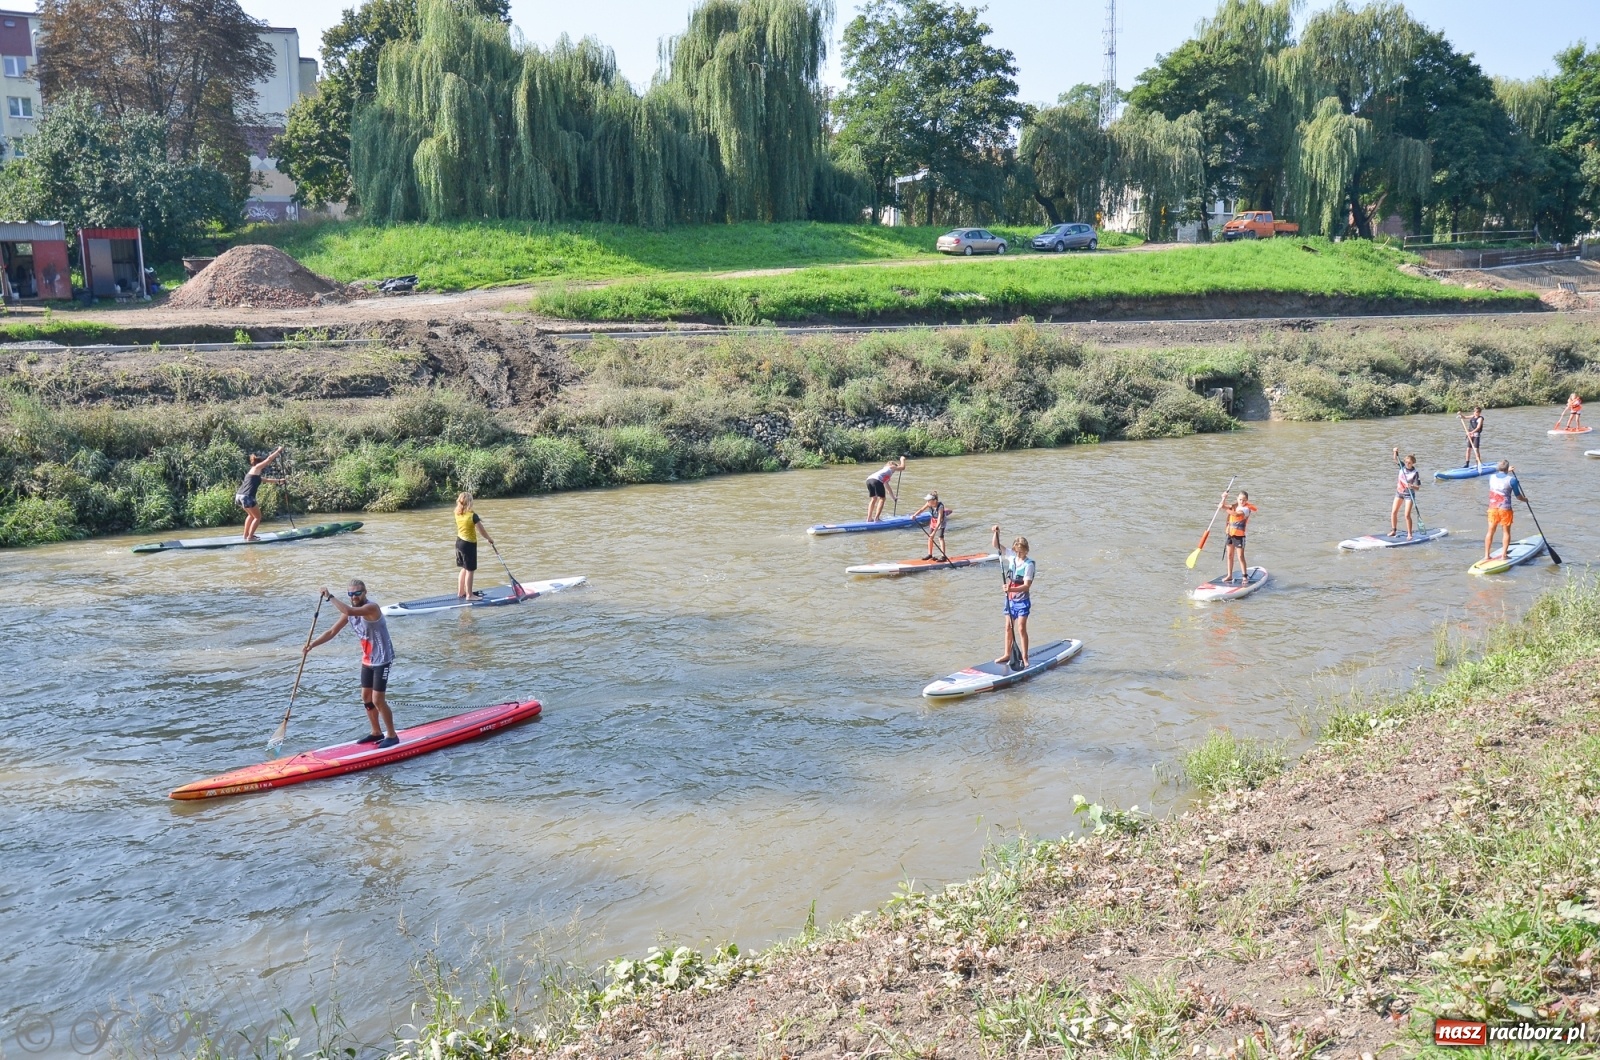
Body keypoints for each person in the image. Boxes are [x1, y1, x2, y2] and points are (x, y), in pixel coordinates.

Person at [306, 579, 400, 748]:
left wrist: (329, 597)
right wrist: (312, 645)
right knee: (366, 697)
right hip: (367, 659)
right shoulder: (350, 613)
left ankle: (392, 735)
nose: (354, 597)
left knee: (378, 700)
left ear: (365, 593)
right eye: (351, 594)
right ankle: (376, 732)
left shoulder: (372, 608)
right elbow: (332, 631)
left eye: (358, 593)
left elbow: (348, 610)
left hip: (382, 659)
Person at [993, 525, 1033, 670]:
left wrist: (1010, 588)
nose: (1019, 555)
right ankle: (1006, 654)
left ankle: (1025, 657)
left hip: (1022, 601)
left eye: (1021, 552)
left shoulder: (1029, 565)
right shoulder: (1011, 556)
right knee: (1008, 627)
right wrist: (996, 533)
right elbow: (996, 545)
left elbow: (1027, 585)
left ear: (1026, 550)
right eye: (1017, 552)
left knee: (1021, 628)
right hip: (1010, 600)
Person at [453, 492, 500, 599]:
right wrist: (489, 539)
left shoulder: (457, 513)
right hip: (468, 544)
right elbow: (482, 531)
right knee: (470, 570)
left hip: (459, 543)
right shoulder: (473, 516)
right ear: (469, 502)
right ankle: (469, 595)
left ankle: (460, 592)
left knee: (463, 568)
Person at [236, 446, 286, 542]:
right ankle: (250, 537)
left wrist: (279, 481)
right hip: (247, 497)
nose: (264, 466)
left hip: (239, 496)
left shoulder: (253, 472)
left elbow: (265, 480)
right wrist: (278, 451)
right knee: (258, 517)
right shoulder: (257, 468)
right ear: (259, 463)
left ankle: (246, 535)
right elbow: (269, 459)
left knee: (251, 516)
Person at [1483, 460, 1528, 563]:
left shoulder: (1491, 477)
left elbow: (1501, 475)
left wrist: (1506, 470)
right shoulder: (1512, 480)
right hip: (1505, 509)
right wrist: (1525, 500)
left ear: (1498, 468)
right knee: (1506, 532)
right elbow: (1518, 497)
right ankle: (1504, 555)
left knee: (1490, 531)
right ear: (1507, 469)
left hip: (1492, 508)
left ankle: (1486, 556)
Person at [1221, 489, 1257, 584]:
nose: (1242, 501)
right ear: (1237, 499)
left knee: (1240, 556)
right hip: (1230, 534)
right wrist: (1223, 498)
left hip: (1239, 536)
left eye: (1244, 500)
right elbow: (1223, 506)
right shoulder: (1234, 505)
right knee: (1229, 555)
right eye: (1240, 499)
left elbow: (1236, 514)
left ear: (1247, 501)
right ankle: (1229, 575)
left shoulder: (1246, 509)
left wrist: (1224, 508)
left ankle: (1244, 576)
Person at [1391, 448, 1422, 539]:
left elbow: (1418, 488)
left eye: (1409, 463)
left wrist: (1411, 486)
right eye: (1406, 462)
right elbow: (1395, 459)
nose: (1407, 464)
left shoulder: (1415, 473)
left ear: (1413, 463)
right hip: (1399, 492)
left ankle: (1409, 534)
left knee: (1407, 515)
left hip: (1409, 495)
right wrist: (1395, 452)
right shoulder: (1402, 466)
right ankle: (1393, 530)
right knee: (1394, 512)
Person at [865, 456, 906, 522]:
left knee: (874, 499)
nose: (894, 471)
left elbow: (887, 486)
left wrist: (893, 498)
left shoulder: (885, 473)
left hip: (869, 480)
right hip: (876, 480)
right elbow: (902, 467)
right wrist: (902, 459)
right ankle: (877, 518)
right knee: (882, 498)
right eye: (895, 469)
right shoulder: (890, 467)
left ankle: (869, 518)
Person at [911, 491, 950, 560]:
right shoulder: (929, 504)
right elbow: (921, 510)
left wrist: (934, 533)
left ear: (934, 500)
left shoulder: (940, 507)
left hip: (940, 522)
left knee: (940, 537)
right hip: (933, 521)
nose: (928, 501)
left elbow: (939, 521)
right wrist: (914, 515)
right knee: (930, 537)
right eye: (928, 500)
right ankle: (930, 555)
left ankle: (943, 556)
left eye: (929, 500)